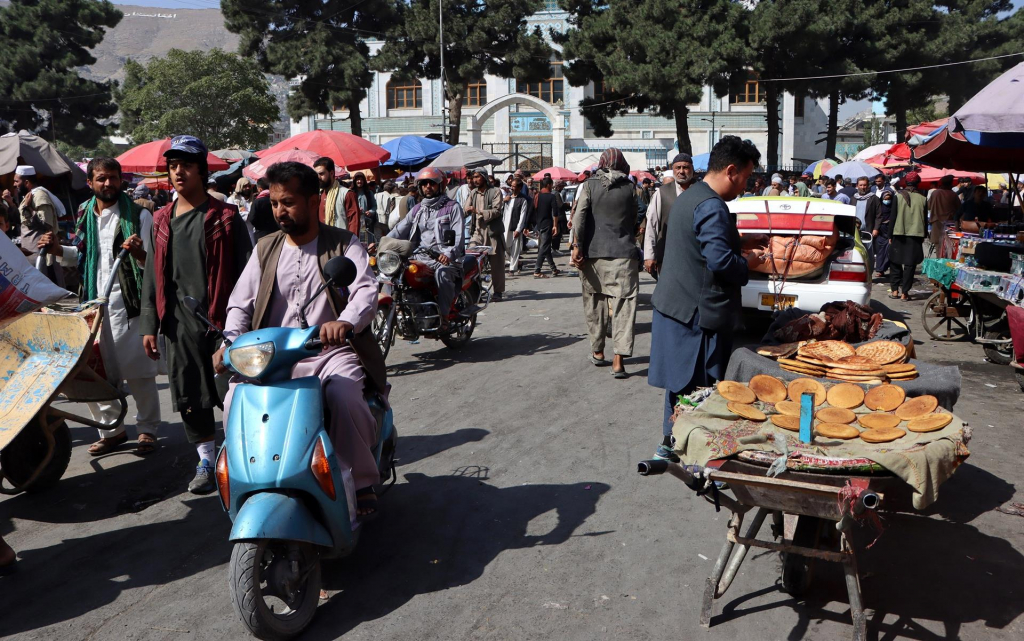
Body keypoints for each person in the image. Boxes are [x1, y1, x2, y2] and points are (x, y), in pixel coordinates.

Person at [219, 161, 386, 516]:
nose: (280, 211)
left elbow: (366, 292)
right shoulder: (265, 248)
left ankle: (360, 480)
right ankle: (247, 481)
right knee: (235, 398)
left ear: (314, 201)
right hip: (274, 357)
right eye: (276, 203)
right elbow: (239, 304)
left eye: (289, 202)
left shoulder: (343, 243)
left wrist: (344, 321)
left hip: (330, 353)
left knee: (343, 395)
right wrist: (229, 344)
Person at [139, 135, 253, 494]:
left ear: (203, 171)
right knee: (189, 392)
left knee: (233, 389)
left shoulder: (226, 217)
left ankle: (244, 455)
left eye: (186, 165)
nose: (178, 171)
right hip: (178, 324)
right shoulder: (161, 219)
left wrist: (248, 320)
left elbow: (250, 273)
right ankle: (206, 458)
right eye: (173, 166)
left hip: (223, 321)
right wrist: (149, 324)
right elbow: (152, 277)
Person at [648, 136, 762, 462]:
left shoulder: (691, 196)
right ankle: (701, 459)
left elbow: (702, 246)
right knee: (700, 392)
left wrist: (739, 240)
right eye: (746, 177)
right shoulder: (712, 205)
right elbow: (720, 262)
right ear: (730, 170)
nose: (745, 185)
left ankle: (670, 445)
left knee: (680, 389)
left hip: (675, 309)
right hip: (696, 318)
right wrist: (749, 262)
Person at [39, 158, 162, 455]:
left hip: (128, 304)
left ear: (121, 180)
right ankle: (112, 430)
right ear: (91, 182)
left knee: (139, 372)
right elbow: (79, 257)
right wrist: (58, 250)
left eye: (113, 178)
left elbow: (152, 264)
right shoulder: (84, 214)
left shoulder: (139, 216)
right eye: (101, 179)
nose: (108, 184)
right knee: (93, 370)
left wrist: (139, 254)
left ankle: (147, 429)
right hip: (92, 305)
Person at [569, 148, 639, 379]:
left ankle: (598, 351)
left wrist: (577, 246)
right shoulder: (631, 188)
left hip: (593, 254)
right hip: (623, 254)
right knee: (623, 306)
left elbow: (580, 217)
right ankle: (618, 360)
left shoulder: (589, 185)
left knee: (595, 302)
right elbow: (634, 219)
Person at [379, 168, 465, 331]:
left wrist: (447, 254)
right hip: (420, 257)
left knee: (443, 274)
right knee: (395, 272)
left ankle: (444, 317)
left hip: (444, 260)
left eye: (432, 183)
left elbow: (459, 237)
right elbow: (399, 230)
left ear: (441, 185)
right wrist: (382, 243)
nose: (427, 187)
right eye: (424, 183)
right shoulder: (418, 209)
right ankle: (402, 310)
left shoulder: (452, 208)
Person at [643, 153, 695, 277]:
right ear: (673, 170)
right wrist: (650, 255)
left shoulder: (700, 190)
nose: (681, 171)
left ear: (692, 170)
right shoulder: (662, 193)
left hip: (694, 257)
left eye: (685, 167)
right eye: (678, 168)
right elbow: (652, 224)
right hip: (667, 257)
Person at [14, 165, 66, 285]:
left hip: (40, 249)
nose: (14, 184)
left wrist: (28, 208)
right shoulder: (29, 195)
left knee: (44, 284)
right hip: (31, 250)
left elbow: (46, 223)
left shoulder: (40, 196)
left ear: (26, 182)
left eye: (17, 181)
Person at [466, 169, 506, 301]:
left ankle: (498, 292)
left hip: (493, 233)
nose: (475, 180)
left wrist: (478, 211)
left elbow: (496, 211)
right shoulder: (473, 193)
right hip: (477, 233)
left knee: (497, 265)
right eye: (473, 177)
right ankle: (475, 292)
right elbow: (465, 209)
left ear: (484, 177)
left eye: (477, 177)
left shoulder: (496, 192)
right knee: (472, 263)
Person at [887, 172, 927, 301]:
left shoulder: (898, 196)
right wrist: (924, 235)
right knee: (910, 265)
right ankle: (905, 293)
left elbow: (892, 217)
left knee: (895, 262)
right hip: (915, 235)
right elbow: (925, 220)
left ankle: (894, 291)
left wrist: (889, 235)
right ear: (917, 183)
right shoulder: (923, 198)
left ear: (906, 182)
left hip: (898, 233)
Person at [313, 157, 360, 235]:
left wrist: (351, 244)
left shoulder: (347, 194)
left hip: (342, 243)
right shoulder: (319, 195)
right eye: (316, 174)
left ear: (331, 173)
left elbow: (354, 223)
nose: (318, 177)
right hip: (322, 242)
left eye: (321, 174)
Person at [529, 178, 561, 278]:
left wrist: (527, 225)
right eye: (551, 185)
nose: (552, 187)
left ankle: (553, 268)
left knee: (546, 246)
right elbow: (555, 213)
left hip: (540, 224)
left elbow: (531, 210)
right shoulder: (551, 197)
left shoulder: (537, 196)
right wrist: (555, 226)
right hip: (547, 224)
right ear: (548, 185)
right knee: (544, 247)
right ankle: (537, 270)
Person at [503, 177, 532, 274]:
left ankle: (512, 268)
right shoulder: (508, 198)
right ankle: (518, 263)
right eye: (511, 186)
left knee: (515, 248)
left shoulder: (522, 200)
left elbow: (522, 216)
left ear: (519, 188)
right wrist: (503, 201)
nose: (512, 188)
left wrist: (519, 229)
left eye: (514, 186)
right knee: (505, 246)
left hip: (515, 227)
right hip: (505, 226)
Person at [927, 175, 961, 255]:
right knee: (949, 249)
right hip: (950, 224)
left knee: (938, 248)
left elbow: (928, 206)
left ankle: (939, 265)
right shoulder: (953, 195)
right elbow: (959, 209)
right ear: (950, 184)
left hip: (936, 223)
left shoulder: (935, 193)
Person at [866, 185, 894, 277]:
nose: (887, 201)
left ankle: (887, 268)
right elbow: (877, 217)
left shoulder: (893, 207)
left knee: (888, 251)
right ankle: (880, 269)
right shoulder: (879, 207)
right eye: (885, 199)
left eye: (889, 199)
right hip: (880, 231)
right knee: (880, 252)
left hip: (890, 231)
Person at [350, 173, 377, 238]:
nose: (359, 181)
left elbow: (374, 206)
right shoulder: (350, 193)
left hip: (367, 222)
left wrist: (370, 212)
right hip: (355, 222)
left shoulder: (369, 193)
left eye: (361, 180)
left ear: (364, 181)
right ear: (355, 181)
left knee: (368, 241)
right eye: (358, 180)